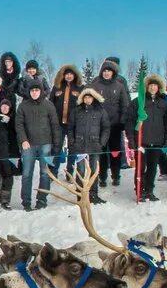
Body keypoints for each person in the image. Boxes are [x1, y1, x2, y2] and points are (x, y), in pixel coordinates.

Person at [14, 77, 62, 211]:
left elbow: (55, 125)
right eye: (32, 90)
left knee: (45, 173)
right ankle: (26, 203)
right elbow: (19, 124)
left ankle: (42, 200)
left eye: (37, 90)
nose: (34, 92)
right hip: (28, 145)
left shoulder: (48, 105)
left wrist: (56, 145)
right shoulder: (23, 105)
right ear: (29, 92)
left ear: (41, 91)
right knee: (27, 174)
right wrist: (23, 140)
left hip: (46, 144)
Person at [90, 59, 129, 188]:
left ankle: (116, 175)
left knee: (115, 151)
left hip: (115, 125)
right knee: (101, 151)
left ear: (113, 73)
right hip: (99, 126)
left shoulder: (119, 86)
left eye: (109, 71)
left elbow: (124, 104)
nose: (107, 73)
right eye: (105, 71)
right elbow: (90, 103)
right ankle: (102, 177)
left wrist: (123, 121)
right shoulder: (95, 85)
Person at [69, 88, 111, 204]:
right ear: (82, 98)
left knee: (93, 171)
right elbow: (70, 128)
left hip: (95, 146)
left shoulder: (100, 111)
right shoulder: (76, 111)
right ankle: (80, 196)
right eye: (85, 97)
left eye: (89, 97)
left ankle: (93, 195)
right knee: (81, 171)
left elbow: (106, 128)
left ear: (94, 98)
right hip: (80, 145)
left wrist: (101, 142)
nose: (87, 99)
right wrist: (72, 142)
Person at [135, 74, 167, 202]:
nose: (152, 88)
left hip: (156, 141)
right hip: (142, 141)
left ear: (159, 87)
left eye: (155, 85)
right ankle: (140, 190)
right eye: (150, 85)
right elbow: (129, 120)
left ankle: (149, 191)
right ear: (147, 87)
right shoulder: (139, 102)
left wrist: (166, 140)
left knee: (152, 167)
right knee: (141, 167)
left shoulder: (163, 104)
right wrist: (132, 138)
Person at [50, 64, 82, 174]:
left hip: (74, 124)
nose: (68, 76)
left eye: (71, 74)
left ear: (75, 75)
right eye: (66, 74)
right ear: (63, 75)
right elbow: (51, 104)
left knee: (72, 149)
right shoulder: (57, 87)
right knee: (56, 147)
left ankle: (70, 172)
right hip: (59, 123)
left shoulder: (80, 88)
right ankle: (53, 172)